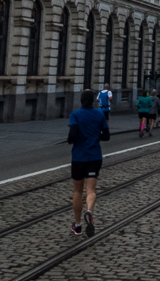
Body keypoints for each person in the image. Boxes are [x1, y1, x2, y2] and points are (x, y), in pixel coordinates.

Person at [68, 88, 109, 236]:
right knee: (91, 190)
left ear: (81, 100)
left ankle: (78, 225)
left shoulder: (75, 115)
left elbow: (72, 135)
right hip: (94, 156)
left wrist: (72, 140)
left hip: (79, 157)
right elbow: (107, 136)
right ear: (92, 100)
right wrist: (96, 136)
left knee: (77, 191)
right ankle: (90, 211)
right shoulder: (99, 114)